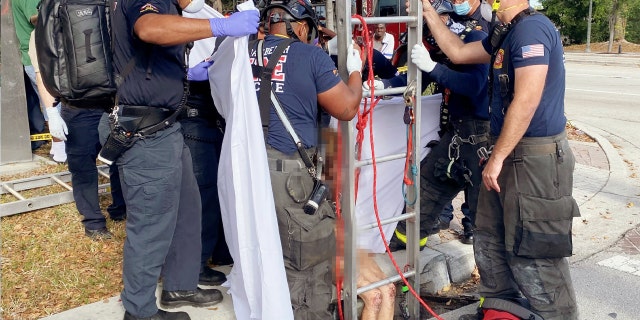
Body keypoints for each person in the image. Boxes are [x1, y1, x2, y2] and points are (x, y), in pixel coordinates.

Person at [409, 0, 580, 318]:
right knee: (489, 236)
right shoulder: (505, 32)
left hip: (534, 157)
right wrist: (429, 13)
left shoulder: (532, 28)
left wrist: (498, 156)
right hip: (504, 148)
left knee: (534, 250)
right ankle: (502, 311)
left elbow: (527, 99)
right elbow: (459, 53)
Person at [111, 0, 259, 318]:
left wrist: (190, 74)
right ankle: (139, 312)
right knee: (150, 227)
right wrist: (221, 26)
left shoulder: (169, 6)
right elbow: (148, 28)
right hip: (145, 131)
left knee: (187, 211)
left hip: (166, 127)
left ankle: (180, 285)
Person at [250, 0, 363, 317]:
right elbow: (347, 108)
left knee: (270, 255)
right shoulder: (310, 56)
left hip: (252, 170)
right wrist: (355, 71)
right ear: (300, 27)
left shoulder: (244, 52)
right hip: (291, 177)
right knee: (307, 262)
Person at [389, 0, 489, 250]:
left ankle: (496, 282)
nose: (430, 43)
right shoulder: (440, 50)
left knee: (484, 214)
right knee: (426, 189)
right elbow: (417, 80)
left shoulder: (475, 38)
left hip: (481, 136)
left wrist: (434, 68)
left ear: (443, 20)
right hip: (456, 133)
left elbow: (473, 86)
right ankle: (408, 243)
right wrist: (385, 86)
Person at [27, 27, 125, 239]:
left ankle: (117, 211)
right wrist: (52, 112)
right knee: (85, 165)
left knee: (116, 157)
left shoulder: (106, 11)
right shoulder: (48, 26)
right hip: (87, 103)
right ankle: (95, 220)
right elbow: (43, 72)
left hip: (105, 101)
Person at [180, 57, 229, 286]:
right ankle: (195, 265)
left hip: (211, 121)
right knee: (203, 197)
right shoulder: (185, 25)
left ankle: (219, 252)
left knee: (219, 193)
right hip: (193, 121)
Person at [11, 0, 47, 151]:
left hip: (35, 57)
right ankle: (60, 149)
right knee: (52, 103)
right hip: (39, 56)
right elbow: (36, 18)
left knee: (49, 103)